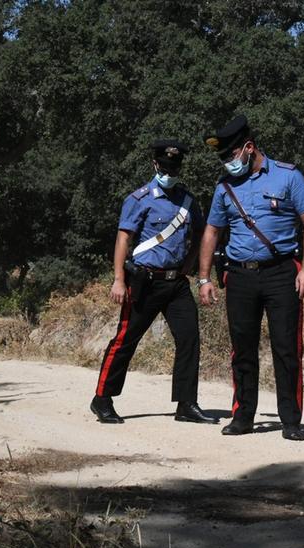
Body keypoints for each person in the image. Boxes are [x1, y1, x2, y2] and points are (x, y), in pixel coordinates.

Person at [197, 115, 304, 441]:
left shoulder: (288, 176)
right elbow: (212, 231)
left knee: (286, 348)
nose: (227, 162)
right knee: (242, 349)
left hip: (282, 273)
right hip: (239, 275)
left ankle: (291, 421)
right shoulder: (224, 187)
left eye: (231, 155)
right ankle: (242, 416)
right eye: (223, 158)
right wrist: (204, 278)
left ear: (249, 148)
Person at [90, 140, 219, 426]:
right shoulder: (139, 199)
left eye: (174, 168)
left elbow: (200, 234)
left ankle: (186, 404)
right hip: (145, 282)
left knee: (189, 338)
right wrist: (118, 280)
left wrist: (190, 263)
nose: (169, 173)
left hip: (176, 283)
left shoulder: (188, 201)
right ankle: (102, 398)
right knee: (125, 340)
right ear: (155, 165)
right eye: (165, 167)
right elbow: (123, 239)